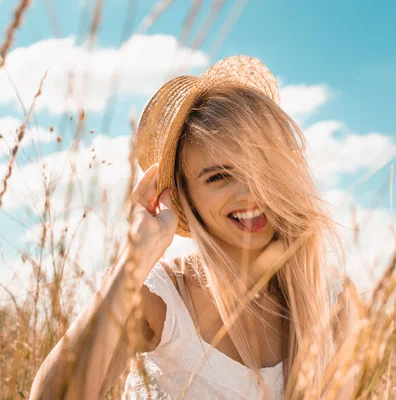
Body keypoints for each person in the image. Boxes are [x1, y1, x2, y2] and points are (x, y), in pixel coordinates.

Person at [30, 55, 359, 399]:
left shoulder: (330, 300)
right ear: (184, 198)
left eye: (261, 165)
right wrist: (135, 257)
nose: (251, 192)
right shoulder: (161, 299)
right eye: (218, 176)